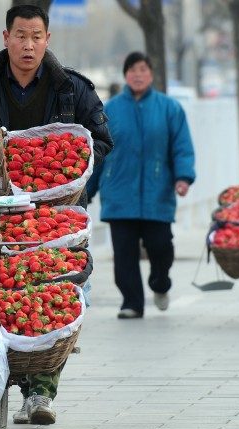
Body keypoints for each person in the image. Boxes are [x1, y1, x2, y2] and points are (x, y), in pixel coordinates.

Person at [0, 5, 112, 426]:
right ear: (6, 37)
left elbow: (100, 141)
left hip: (55, 217)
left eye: (36, 36)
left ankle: (40, 390)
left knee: (57, 293)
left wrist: (70, 183)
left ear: (47, 39)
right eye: (20, 35)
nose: (28, 45)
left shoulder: (72, 89)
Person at [87, 51, 196, 320]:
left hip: (157, 194)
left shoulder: (170, 109)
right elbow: (98, 153)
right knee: (124, 254)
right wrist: (86, 191)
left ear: (151, 74)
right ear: (125, 75)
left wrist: (183, 177)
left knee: (161, 247)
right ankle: (132, 302)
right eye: (132, 70)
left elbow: (182, 148)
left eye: (143, 69)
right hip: (119, 193)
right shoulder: (109, 111)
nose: (138, 74)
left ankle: (160, 283)